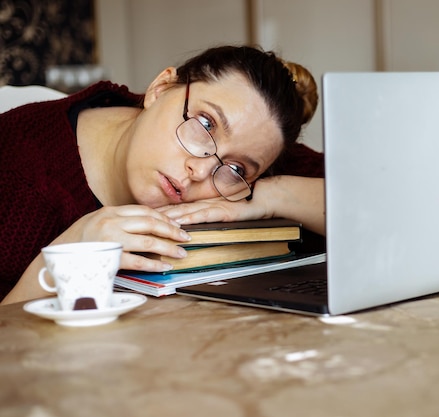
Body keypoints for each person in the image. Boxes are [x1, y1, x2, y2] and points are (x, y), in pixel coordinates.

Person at [0, 45, 325, 305]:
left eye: (239, 168)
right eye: (206, 124)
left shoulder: (247, 166)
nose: (200, 171)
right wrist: (63, 259)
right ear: (160, 88)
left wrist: (274, 195)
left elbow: (372, 203)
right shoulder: (18, 175)